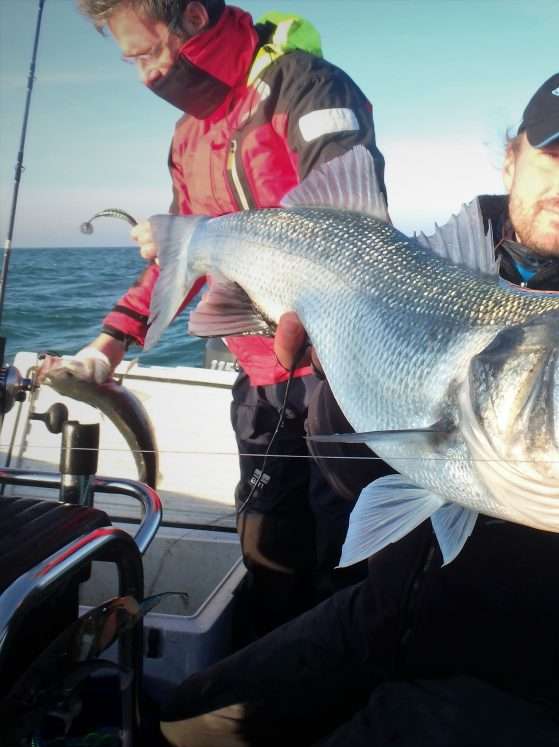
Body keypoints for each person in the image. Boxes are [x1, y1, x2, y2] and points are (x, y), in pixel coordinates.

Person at [155, 70, 559, 747]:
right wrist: (330, 369)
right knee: (179, 725)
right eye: (554, 158)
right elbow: (354, 475)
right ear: (511, 157)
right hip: (379, 618)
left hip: (516, 680)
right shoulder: (411, 269)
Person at [44, 0, 387, 641]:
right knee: (265, 544)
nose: (143, 76)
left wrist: (210, 238)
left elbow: (351, 221)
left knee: (347, 553)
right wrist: (109, 343)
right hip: (258, 381)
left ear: (194, 19)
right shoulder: (187, 136)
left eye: (145, 53)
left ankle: (348, 690)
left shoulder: (305, 86)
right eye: (131, 62)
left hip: (339, 376)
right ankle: (269, 684)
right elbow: (182, 259)